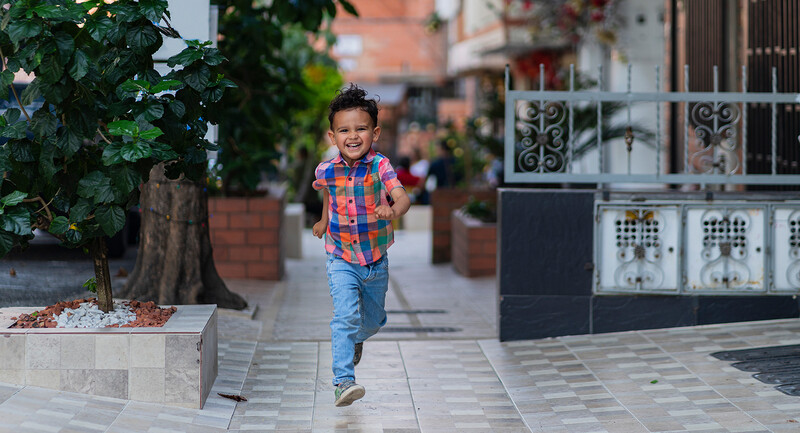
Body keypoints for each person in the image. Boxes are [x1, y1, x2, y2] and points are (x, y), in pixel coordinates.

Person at [311, 84, 411, 407]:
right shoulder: (326, 170)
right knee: (344, 317)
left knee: (373, 320)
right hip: (340, 256)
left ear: (375, 132)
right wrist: (324, 221)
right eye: (344, 130)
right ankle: (343, 381)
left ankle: (355, 339)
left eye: (361, 129)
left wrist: (392, 210)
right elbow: (328, 192)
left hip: (375, 259)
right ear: (332, 136)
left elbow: (403, 198)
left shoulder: (380, 166)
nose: (352, 136)